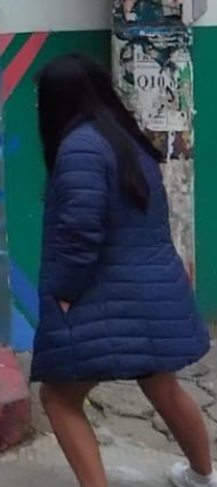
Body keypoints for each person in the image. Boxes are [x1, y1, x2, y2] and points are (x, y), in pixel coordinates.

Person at [31, 54, 213, 487]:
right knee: (162, 385)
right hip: (153, 287)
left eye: (42, 96)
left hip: (108, 295)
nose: (38, 105)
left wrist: (64, 290)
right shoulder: (124, 138)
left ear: (63, 97)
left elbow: (80, 230)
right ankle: (203, 476)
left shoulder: (78, 148)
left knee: (58, 396)